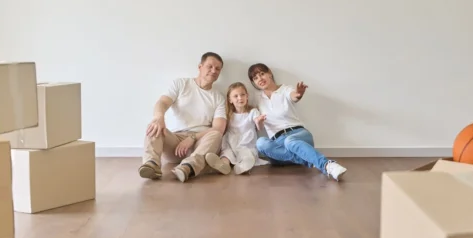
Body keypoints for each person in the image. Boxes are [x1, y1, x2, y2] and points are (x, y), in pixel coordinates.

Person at [247, 63, 347, 181]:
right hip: (278, 145)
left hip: (298, 135)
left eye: (262, 74)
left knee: (290, 141)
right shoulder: (256, 98)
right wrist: (258, 121)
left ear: (269, 73)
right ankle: (309, 158)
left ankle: (327, 165)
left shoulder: (285, 89)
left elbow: (294, 96)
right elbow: (258, 125)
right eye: (255, 78)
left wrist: (299, 94)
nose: (260, 79)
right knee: (260, 143)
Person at [140, 52, 227, 183]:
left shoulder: (218, 97)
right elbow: (162, 102)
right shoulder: (181, 84)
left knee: (216, 134)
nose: (214, 71)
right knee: (154, 125)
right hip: (175, 143)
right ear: (200, 67)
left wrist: (192, 138)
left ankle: (187, 168)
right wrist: (159, 117)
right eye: (210, 66)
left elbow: (219, 128)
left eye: (218, 68)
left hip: (201, 143)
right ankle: (151, 164)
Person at [206, 82, 265, 176]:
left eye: (242, 95)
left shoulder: (252, 112)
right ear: (230, 100)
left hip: (246, 144)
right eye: (236, 96)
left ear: (247, 96)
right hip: (230, 143)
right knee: (226, 155)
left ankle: (243, 166)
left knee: (247, 155)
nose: (240, 98)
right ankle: (223, 165)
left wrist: (259, 121)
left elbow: (260, 128)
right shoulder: (228, 114)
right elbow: (222, 127)